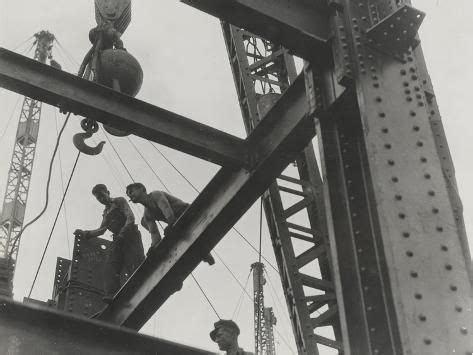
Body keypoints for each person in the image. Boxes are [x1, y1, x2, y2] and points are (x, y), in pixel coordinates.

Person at [74, 184, 145, 303]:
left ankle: (140, 288)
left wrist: (122, 232)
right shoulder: (106, 212)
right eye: (98, 198)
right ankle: (112, 294)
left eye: (102, 195)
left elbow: (130, 217)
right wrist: (85, 233)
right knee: (110, 266)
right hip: (118, 240)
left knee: (134, 263)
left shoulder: (119, 201)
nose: (101, 199)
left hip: (130, 236)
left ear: (108, 192)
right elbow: (101, 230)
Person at [125, 182, 215, 265]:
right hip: (177, 222)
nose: (130, 195)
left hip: (187, 212)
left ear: (141, 189)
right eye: (128, 194)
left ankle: (205, 252)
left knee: (171, 231)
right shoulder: (147, 215)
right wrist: (153, 247)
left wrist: (171, 224)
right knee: (173, 236)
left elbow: (167, 210)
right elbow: (154, 233)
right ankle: (203, 252)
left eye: (131, 191)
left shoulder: (156, 195)